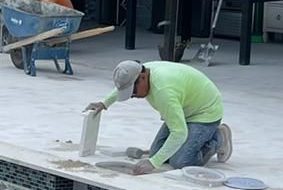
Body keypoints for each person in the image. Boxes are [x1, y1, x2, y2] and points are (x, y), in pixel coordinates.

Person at [87, 59, 232, 174]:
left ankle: (218, 138)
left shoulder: (164, 91)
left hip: (205, 113)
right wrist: (104, 103)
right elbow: (123, 85)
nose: (132, 96)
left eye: (133, 91)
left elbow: (179, 133)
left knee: (180, 162)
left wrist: (153, 163)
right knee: (157, 154)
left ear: (143, 77)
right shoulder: (141, 70)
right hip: (184, 110)